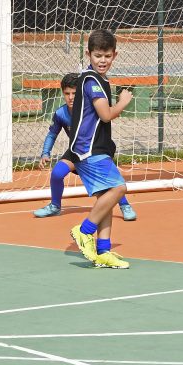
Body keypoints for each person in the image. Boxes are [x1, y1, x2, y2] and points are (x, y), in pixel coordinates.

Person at [68, 30, 133, 269]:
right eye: (98, 56)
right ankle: (84, 231)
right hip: (89, 149)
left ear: (114, 55)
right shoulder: (91, 80)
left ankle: (103, 249)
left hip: (95, 148)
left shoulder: (99, 79)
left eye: (107, 55)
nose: (102, 60)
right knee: (119, 188)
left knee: (105, 198)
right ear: (89, 54)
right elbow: (105, 115)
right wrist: (123, 102)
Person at [33, 72, 137, 221]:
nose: (70, 97)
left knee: (108, 182)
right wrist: (45, 153)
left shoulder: (91, 110)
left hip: (95, 150)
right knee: (56, 173)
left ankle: (124, 205)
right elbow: (52, 134)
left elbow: (108, 114)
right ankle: (55, 206)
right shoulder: (61, 113)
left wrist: (118, 106)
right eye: (67, 93)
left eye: (74, 93)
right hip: (76, 151)